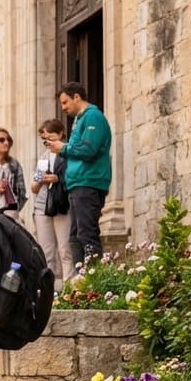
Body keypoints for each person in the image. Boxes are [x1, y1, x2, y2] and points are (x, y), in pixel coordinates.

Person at [47, 81, 112, 267]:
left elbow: (88, 149)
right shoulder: (79, 120)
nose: (63, 108)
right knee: (75, 237)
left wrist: (63, 148)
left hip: (89, 183)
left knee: (86, 234)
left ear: (76, 97)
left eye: (65, 102)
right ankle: (81, 278)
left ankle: (94, 277)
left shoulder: (93, 116)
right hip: (77, 184)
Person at [32, 119, 74, 288]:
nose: (48, 142)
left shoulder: (68, 153)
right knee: (46, 251)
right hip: (43, 206)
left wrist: (57, 178)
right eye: (45, 139)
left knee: (65, 249)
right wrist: (41, 180)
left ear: (61, 134)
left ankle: (70, 286)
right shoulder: (43, 158)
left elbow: (73, 177)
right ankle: (51, 289)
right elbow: (34, 187)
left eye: (51, 137)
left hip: (62, 204)